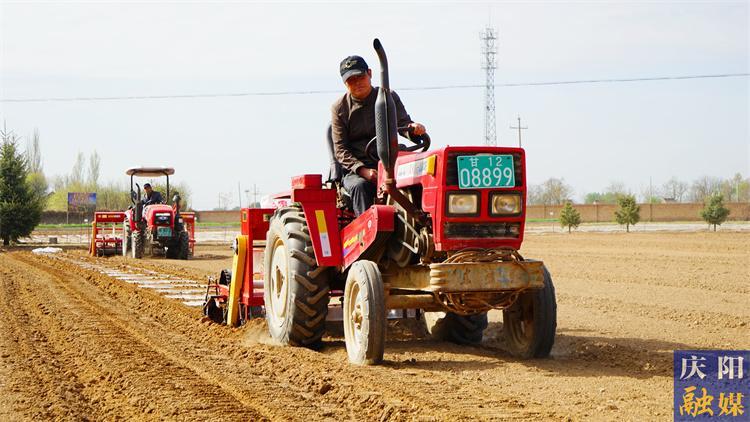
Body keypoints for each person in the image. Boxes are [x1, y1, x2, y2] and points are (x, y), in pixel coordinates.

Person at [331, 54, 426, 216]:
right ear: (345, 83)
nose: (357, 83)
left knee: (420, 177)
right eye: (351, 80)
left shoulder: (388, 97)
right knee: (360, 187)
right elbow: (340, 150)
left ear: (370, 73)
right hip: (359, 168)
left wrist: (415, 129)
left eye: (360, 77)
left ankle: (424, 222)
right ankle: (368, 233)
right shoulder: (339, 108)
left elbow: (403, 125)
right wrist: (364, 171)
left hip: (392, 161)